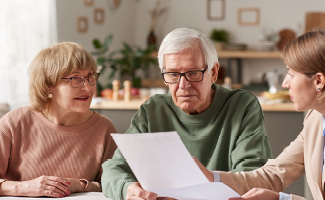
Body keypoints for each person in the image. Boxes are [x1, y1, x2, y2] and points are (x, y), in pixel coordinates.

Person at [197, 28, 325, 200]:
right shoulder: (315, 119)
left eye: (290, 74)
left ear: (319, 81)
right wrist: (211, 178)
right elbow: (273, 175)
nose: (284, 83)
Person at [101, 27, 272, 200]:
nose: (183, 84)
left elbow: (254, 177)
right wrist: (128, 190)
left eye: (193, 73)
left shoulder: (242, 106)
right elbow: (113, 169)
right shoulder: (152, 110)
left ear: (213, 72)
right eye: (173, 74)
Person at [0, 42, 117, 197]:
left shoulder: (104, 128)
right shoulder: (14, 123)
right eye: (76, 78)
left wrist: (80, 185)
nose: (88, 88)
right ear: (48, 85)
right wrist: (25, 187)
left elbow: (115, 184)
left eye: (90, 77)